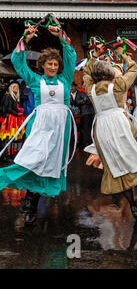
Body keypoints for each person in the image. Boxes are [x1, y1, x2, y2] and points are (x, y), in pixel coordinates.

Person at [0, 23, 77, 224]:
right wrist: (25, 38)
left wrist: (60, 35)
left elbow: (71, 55)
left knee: (49, 166)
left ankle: (31, 202)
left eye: (55, 65)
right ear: (42, 65)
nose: (52, 67)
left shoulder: (66, 79)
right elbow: (18, 61)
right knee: (33, 160)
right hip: (40, 126)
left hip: (61, 128)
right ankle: (27, 197)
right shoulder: (34, 80)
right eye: (49, 64)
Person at [82, 43, 137, 219]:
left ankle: (133, 203)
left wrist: (94, 56)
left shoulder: (90, 88)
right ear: (110, 74)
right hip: (120, 124)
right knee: (136, 155)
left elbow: (85, 73)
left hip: (102, 129)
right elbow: (134, 68)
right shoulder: (119, 85)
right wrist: (123, 55)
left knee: (116, 165)